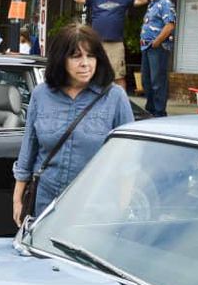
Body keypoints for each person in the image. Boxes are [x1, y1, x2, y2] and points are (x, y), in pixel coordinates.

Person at [12, 24, 134, 226]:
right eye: (76, 56)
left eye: (91, 56)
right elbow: (28, 150)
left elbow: (128, 161)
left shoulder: (114, 97)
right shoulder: (41, 95)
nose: (85, 63)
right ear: (61, 59)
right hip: (46, 202)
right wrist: (18, 199)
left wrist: (123, 206)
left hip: (96, 205)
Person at [74, 0, 148, 85]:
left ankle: (120, 102)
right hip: (97, 44)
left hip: (116, 44)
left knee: (118, 76)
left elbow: (143, 0)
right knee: (93, 74)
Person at [140, 0, 177, 117]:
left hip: (158, 48)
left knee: (158, 81)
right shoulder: (152, 5)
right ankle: (150, 109)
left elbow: (170, 25)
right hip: (147, 48)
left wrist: (157, 41)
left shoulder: (165, 4)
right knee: (147, 80)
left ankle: (159, 112)